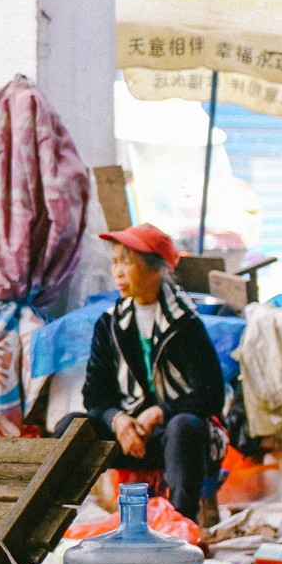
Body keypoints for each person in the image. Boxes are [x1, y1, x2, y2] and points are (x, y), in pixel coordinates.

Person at [74, 223, 225, 520]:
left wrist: (160, 413)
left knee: (184, 426)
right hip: (128, 433)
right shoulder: (110, 323)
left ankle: (183, 525)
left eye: (127, 262)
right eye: (115, 261)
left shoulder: (184, 324)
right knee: (71, 427)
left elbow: (211, 395)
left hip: (173, 437)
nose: (117, 271)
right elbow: (94, 394)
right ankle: (59, 527)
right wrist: (117, 421)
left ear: (157, 270)